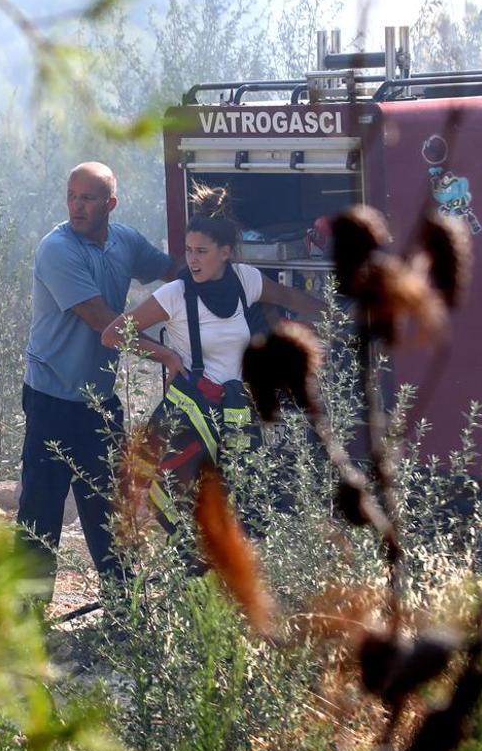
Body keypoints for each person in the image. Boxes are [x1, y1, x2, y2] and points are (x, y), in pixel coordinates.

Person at [103, 185, 324, 538]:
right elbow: (113, 334)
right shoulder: (174, 294)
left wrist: (344, 318)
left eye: (201, 252)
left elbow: (291, 297)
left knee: (244, 515)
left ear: (225, 253)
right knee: (192, 520)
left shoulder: (245, 280)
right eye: (189, 251)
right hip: (194, 417)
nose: (192, 260)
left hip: (238, 420)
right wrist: (166, 355)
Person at [17, 161, 175, 595]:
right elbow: (102, 322)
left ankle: (123, 605)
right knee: (40, 508)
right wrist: (167, 354)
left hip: (98, 401)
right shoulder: (57, 249)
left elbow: (174, 272)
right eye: (72, 196)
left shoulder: (125, 241)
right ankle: (26, 617)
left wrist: (225, 279)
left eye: (87, 198)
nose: (77, 206)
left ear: (111, 204)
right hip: (51, 396)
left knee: (110, 501)